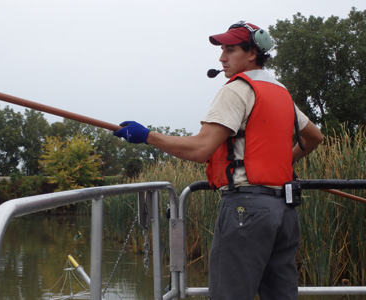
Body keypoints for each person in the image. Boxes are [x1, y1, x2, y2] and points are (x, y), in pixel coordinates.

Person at [114, 21, 323, 300]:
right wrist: (280, 163)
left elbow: (201, 149)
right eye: (222, 50)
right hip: (284, 211)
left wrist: (147, 135)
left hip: (246, 211)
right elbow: (314, 138)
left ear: (252, 54)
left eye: (230, 49)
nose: (222, 57)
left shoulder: (236, 89)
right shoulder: (280, 92)